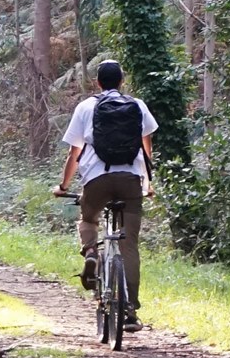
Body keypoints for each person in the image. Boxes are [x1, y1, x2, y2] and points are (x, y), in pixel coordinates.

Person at [55, 58, 157, 333]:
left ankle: (90, 252)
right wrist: (148, 185)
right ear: (122, 81)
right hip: (130, 181)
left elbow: (74, 154)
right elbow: (146, 151)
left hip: (96, 180)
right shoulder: (137, 106)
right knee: (130, 246)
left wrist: (63, 187)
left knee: (88, 218)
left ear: (97, 82)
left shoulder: (86, 107)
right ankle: (131, 311)